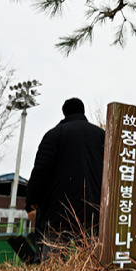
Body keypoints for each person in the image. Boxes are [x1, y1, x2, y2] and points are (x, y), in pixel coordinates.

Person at [25, 97, 105, 258]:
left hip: (58, 212)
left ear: (64, 113)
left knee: (53, 264)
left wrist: (31, 201)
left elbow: (41, 171)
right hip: (93, 210)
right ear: (83, 112)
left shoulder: (54, 135)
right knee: (92, 261)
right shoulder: (102, 136)